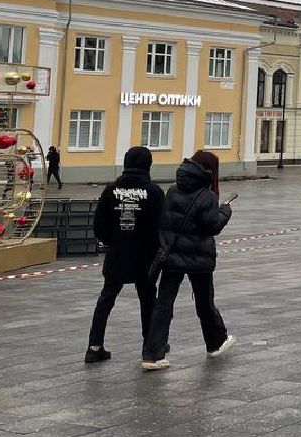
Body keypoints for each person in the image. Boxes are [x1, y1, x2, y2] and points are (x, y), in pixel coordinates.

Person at [141, 150, 234, 370]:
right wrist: (225, 211)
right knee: (204, 302)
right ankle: (215, 342)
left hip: (172, 255)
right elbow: (212, 226)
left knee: (164, 304)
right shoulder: (207, 195)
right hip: (198, 257)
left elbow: (166, 222)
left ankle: (152, 355)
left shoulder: (173, 190)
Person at [85, 146, 164, 363]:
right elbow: (161, 226)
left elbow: (99, 225)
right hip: (145, 256)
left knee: (106, 299)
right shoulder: (154, 192)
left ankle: (94, 346)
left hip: (117, 254)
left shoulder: (110, 191)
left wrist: (114, 242)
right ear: (148, 165)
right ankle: (149, 345)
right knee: (148, 299)